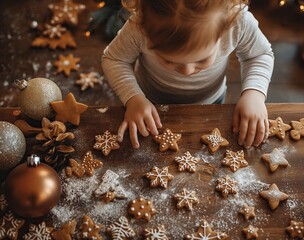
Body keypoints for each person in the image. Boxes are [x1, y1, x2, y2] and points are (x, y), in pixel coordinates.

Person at [102, 0, 274, 149]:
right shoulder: (140, 27)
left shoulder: (237, 22)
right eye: (169, 61)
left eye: (202, 60)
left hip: (211, 103)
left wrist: (254, 94)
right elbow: (114, 59)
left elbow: (259, 55)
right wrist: (133, 98)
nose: (187, 71)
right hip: (148, 106)